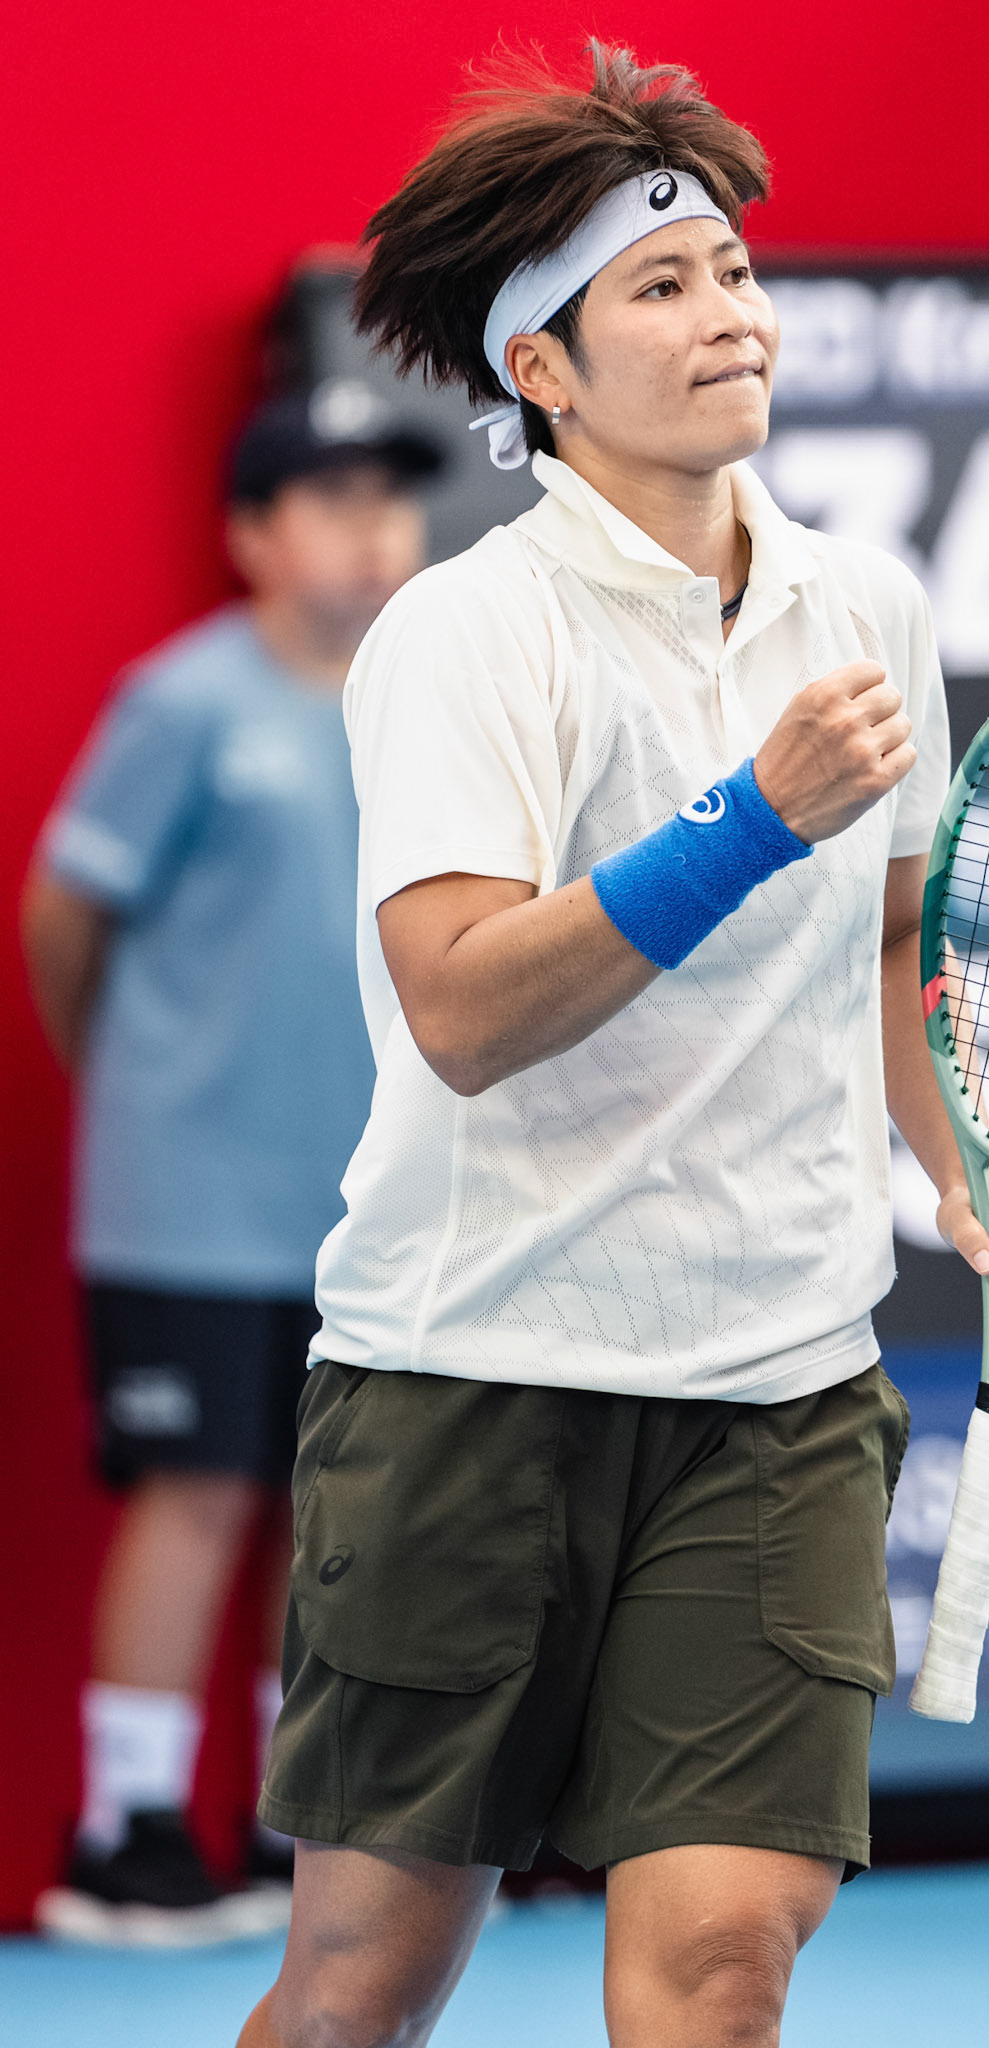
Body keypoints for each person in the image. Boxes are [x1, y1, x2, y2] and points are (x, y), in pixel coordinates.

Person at [238, 45, 989, 2047]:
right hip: (466, 1377)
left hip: (775, 1393)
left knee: (719, 1965)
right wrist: (745, 822)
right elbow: (466, 1010)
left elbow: (902, 932)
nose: (725, 311)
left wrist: (971, 1175)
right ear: (540, 372)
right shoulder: (465, 637)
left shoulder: (867, 606)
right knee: (356, 1990)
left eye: (732, 270)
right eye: (658, 287)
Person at [22, 383, 443, 1945]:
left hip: (367, 1202)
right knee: (196, 1496)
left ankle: (287, 1829)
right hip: (184, 1201)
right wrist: (153, 1087)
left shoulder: (431, 703)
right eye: (328, 501)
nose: (369, 532)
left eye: (388, 498)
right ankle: (124, 1833)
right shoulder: (183, 703)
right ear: (252, 536)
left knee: (322, 1508)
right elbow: (66, 919)